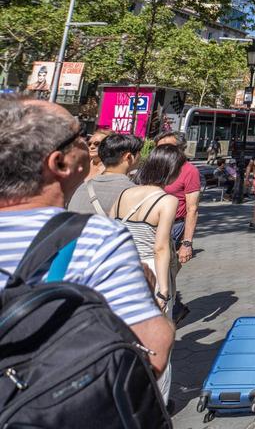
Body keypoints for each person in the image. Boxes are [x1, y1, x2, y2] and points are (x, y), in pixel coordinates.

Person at [0, 96, 173, 382]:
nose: (90, 144)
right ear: (60, 163)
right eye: (79, 137)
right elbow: (153, 353)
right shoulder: (96, 238)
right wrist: (151, 296)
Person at [112, 144, 181, 403]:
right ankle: (158, 403)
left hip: (121, 266)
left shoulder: (124, 195)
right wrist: (163, 290)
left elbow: (113, 229)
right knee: (158, 339)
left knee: (125, 335)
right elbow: (161, 247)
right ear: (170, 171)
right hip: (151, 269)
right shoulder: (166, 200)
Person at [163, 141, 201, 323]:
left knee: (164, 272)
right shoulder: (156, 166)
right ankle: (174, 306)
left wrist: (187, 243)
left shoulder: (189, 170)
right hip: (150, 225)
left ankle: (169, 311)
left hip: (174, 226)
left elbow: (192, 209)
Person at [68, 132, 140, 216]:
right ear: (128, 157)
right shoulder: (135, 192)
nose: (92, 146)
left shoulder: (81, 188)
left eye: (97, 144)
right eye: (139, 153)